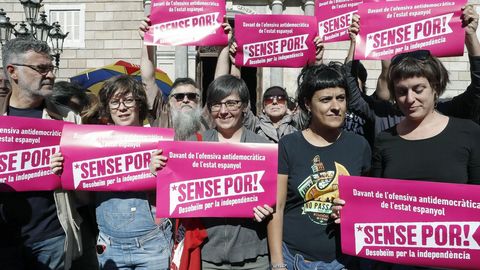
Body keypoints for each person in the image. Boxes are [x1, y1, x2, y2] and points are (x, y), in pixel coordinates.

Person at [150, 74, 274, 269]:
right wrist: (159, 170)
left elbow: (278, 202)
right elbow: (174, 191)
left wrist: (270, 208)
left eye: (231, 103)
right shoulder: (194, 144)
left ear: (244, 106)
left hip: (254, 257)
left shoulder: (264, 148)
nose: (223, 111)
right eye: (216, 104)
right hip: (207, 256)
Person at [51, 75, 173, 270]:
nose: (122, 107)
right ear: (107, 107)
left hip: (151, 244)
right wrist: (67, 175)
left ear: (139, 104)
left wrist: (160, 174)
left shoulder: (158, 141)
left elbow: (175, 194)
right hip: (109, 246)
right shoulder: (93, 143)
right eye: (114, 102)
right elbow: (85, 199)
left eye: (128, 100)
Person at [268, 62, 371, 270]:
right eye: (326, 100)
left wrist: (352, 212)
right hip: (295, 261)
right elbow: (276, 209)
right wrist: (278, 263)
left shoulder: (360, 145)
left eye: (341, 98)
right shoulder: (289, 145)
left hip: (345, 262)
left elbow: (368, 207)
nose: (336, 107)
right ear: (308, 103)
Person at [1, 38, 82, 270]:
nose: (51, 75)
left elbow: (84, 182)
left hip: (52, 237)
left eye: (51, 68)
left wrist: (68, 168)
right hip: (4, 238)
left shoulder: (69, 118)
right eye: (41, 68)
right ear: (13, 72)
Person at [345, 6, 480, 139]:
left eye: (418, 90)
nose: (410, 99)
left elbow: (478, 90)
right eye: (402, 92)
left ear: (435, 87)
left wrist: (471, 36)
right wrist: (356, 42)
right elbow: (350, 90)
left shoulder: (448, 112)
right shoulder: (384, 117)